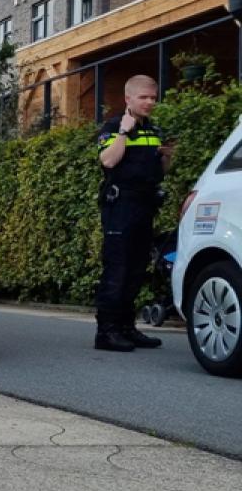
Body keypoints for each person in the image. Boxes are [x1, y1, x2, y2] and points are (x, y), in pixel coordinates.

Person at [93, 74, 175, 352]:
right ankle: (106, 332)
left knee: (137, 270)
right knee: (117, 268)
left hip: (144, 206)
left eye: (153, 97)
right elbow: (108, 160)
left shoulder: (154, 130)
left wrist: (166, 157)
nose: (150, 102)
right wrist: (124, 133)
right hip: (120, 206)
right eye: (144, 97)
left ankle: (127, 327)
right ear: (128, 98)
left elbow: (157, 173)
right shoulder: (114, 126)